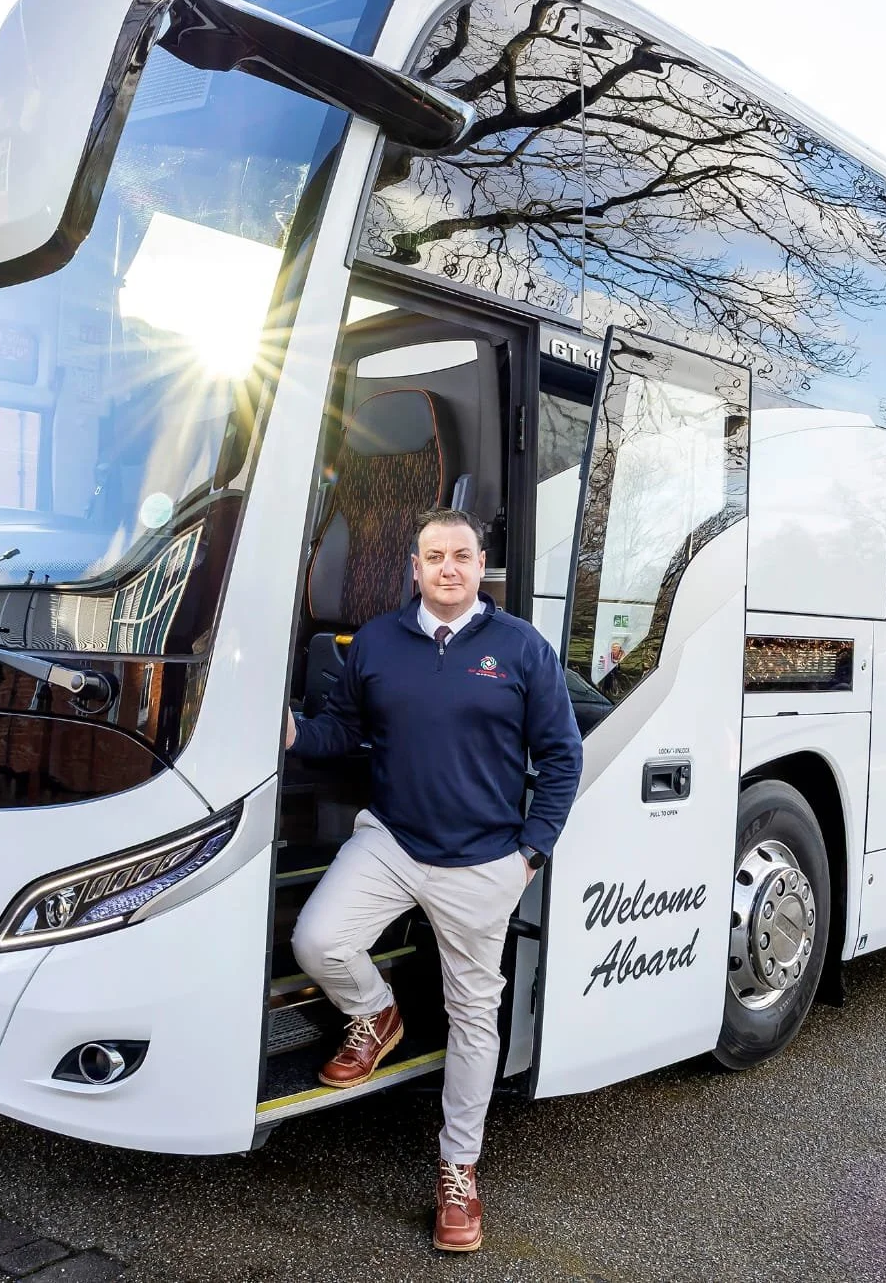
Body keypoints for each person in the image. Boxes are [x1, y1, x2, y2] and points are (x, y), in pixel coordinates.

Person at [285, 506, 583, 1253]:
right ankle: (376, 1013)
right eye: (433, 556)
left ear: (481, 566)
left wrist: (530, 855)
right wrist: (290, 731)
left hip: (485, 861)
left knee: (473, 1019)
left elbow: (562, 756)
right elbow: (340, 731)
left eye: (461, 555)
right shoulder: (379, 642)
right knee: (318, 941)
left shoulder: (521, 649)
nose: (447, 567)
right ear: (413, 568)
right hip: (391, 839)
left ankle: (458, 1171)